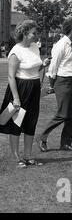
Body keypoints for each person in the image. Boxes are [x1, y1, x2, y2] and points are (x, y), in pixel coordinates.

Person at [0, 20, 50, 167]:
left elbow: (35, 69)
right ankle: (17, 157)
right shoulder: (16, 51)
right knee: (17, 122)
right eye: (33, 33)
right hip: (21, 88)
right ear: (25, 34)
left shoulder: (35, 47)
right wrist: (15, 97)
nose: (36, 35)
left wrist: (43, 65)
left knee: (31, 122)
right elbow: (11, 76)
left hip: (34, 87)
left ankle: (28, 156)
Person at [38, 18, 72, 152]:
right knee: (63, 114)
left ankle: (65, 143)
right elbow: (53, 67)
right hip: (62, 81)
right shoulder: (61, 45)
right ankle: (42, 137)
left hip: (71, 80)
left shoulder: (70, 44)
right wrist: (53, 85)